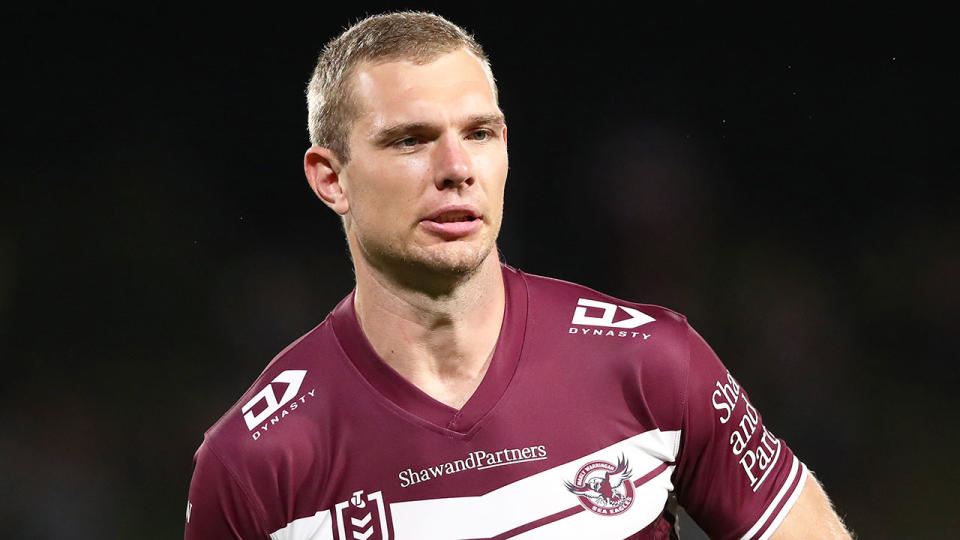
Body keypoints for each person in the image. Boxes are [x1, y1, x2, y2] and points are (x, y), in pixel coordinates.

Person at [184, 11, 852, 539]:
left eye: (479, 132)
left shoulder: (650, 362)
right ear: (331, 179)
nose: (456, 166)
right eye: (411, 139)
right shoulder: (258, 461)